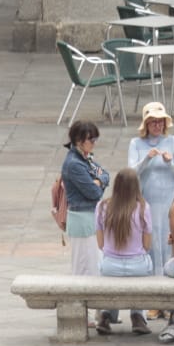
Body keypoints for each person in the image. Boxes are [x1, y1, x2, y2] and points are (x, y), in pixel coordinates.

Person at [128, 102, 174, 281]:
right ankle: (152, 279)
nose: (157, 125)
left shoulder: (173, 141)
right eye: (153, 122)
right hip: (147, 201)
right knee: (150, 238)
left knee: (169, 238)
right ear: (146, 124)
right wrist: (147, 158)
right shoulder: (136, 143)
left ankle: (169, 276)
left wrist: (170, 163)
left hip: (169, 201)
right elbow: (131, 172)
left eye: (160, 121)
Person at [94, 168, 154, 336]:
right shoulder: (143, 208)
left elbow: (100, 244)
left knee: (107, 271)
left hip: (110, 266)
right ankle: (137, 316)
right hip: (137, 266)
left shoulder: (102, 206)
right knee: (147, 263)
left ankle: (107, 315)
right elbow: (147, 245)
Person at [60, 120, 110, 285]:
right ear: (78, 140)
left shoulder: (86, 159)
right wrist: (98, 183)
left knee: (94, 265)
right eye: (91, 139)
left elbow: (105, 174)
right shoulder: (74, 164)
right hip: (82, 222)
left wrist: (98, 181)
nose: (94, 143)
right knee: (84, 268)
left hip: (90, 219)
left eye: (95, 139)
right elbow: (94, 193)